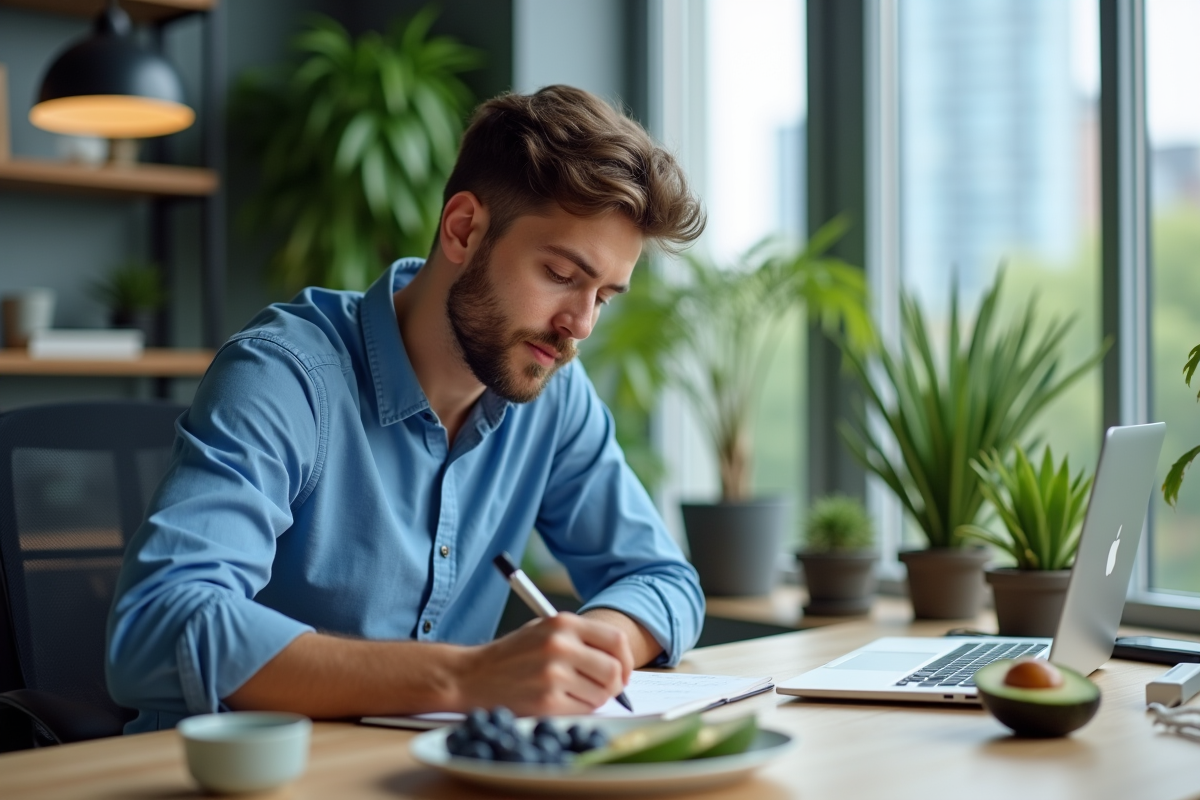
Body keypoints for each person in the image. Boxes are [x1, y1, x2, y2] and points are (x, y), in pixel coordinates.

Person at [106, 85, 707, 732]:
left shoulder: (552, 394)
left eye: (605, 296)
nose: (580, 325)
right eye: (562, 275)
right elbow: (157, 626)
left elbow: (662, 579)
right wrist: (468, 679)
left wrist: (592, 647)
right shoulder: (287, 375)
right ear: (464, 230)